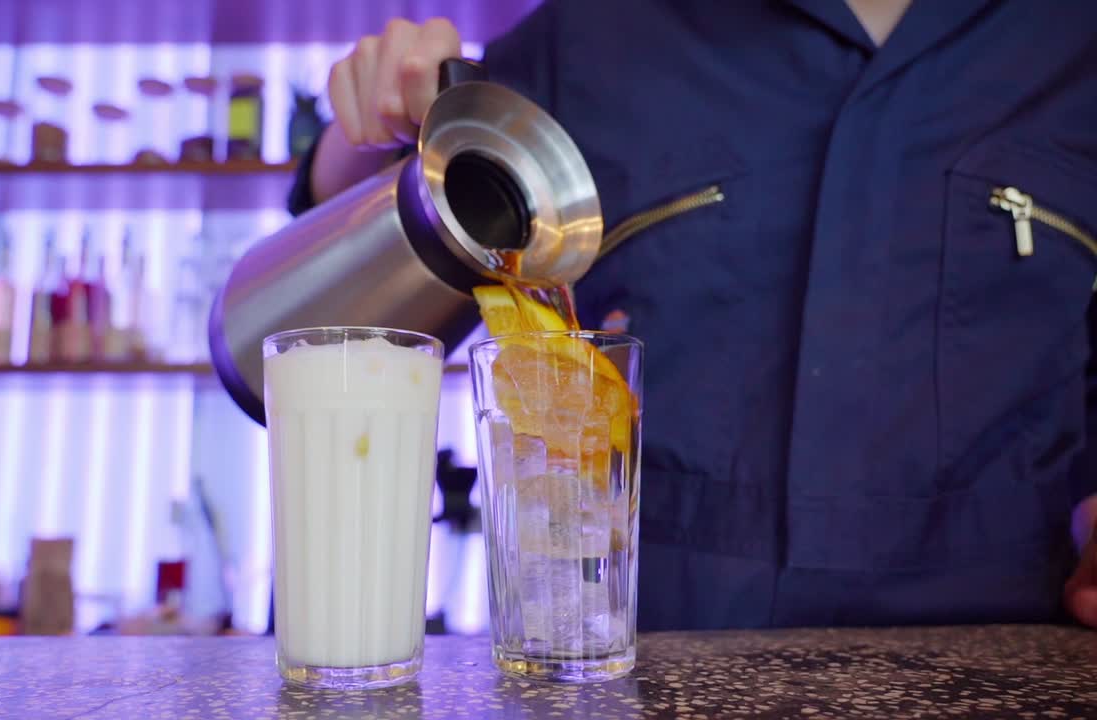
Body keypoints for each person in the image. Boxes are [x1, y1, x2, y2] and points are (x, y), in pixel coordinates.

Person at [287, 0, 1097, 631]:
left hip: (1010, 655)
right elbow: (322, 329)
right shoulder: (592, 38)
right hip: (642, 661)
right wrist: (372, 131)